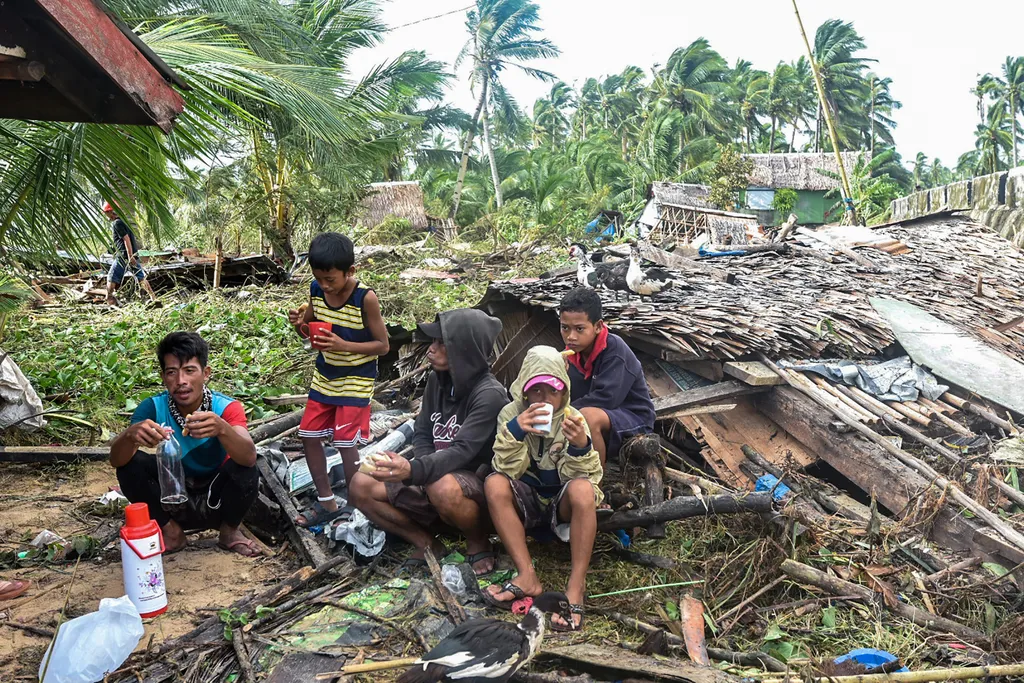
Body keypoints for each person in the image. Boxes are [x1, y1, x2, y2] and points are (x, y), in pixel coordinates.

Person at [348, 309, 506, 575]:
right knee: (359, 485)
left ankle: (478, 541)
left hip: (473, 487)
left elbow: (462, 451)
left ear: (463, 349)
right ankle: (427, 544)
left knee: (442, 486)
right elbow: (423, 432)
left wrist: (415, 471)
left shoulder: (489, 395)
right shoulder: (437, 380)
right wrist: (419, 468)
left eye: (441, 343)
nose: (431, 349)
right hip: (432, 476)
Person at [483, 345, 602, 631]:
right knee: (494, 482)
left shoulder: (574, 418)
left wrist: (579, 446)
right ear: (524, 390)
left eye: (553, 391)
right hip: (527, 499)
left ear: (564, 392)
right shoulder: (510, 415)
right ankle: (527, 575)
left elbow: (585, 479)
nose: (544, 399)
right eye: (536, 390)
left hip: (560, 503)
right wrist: (515, 432)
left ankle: (576, 585)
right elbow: (508, 470)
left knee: (584, 490)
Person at [110, 332, 260, 556]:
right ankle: (171, 532)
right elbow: (116, 460)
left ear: (205, 373)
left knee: (246, 468)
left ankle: (229, 531)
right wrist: (130, 435)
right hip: (172, 498)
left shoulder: (226, 408)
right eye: (172, 372)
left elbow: (248, 457)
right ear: (163, 377)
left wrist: (222, 429)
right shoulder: (153, 408)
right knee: (131, 465)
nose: (181, 381)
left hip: (215, 498)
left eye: (189, 370)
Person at [288, 232, 390, 527]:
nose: (324, 285)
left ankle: (359, 504)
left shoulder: (364, 298)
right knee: (309, 436)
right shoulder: (316, 291)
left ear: (350, 272)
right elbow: (310, 335)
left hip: (357, 378)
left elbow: (382, 346)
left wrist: (344, 345)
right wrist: (300, 325)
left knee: (346, 442)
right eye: (319, 278)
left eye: (330, 279)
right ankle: (327, 502)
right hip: (326, 374)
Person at [559, 288, 655, 468]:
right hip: (597, 415)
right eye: (565, 328)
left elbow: (607, 399)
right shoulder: (568, 355)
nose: (571, 336)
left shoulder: (614, 350)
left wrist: (562, 413)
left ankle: (595, 486)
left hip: (632, 417)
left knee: (585, 416)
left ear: (597, 326)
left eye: (580, 329)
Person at [103, 202, 157, 306]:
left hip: (124, 257)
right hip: (132, 255)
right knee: (141, 277)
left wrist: (129, 255)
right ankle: (153, 298)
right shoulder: (124, 221)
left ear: (110, 212)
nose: (106, 216)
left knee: (111, 276)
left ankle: (109, 300)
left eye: (106, 213)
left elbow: (126, 239)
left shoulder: (117, 223)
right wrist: (133, 255)